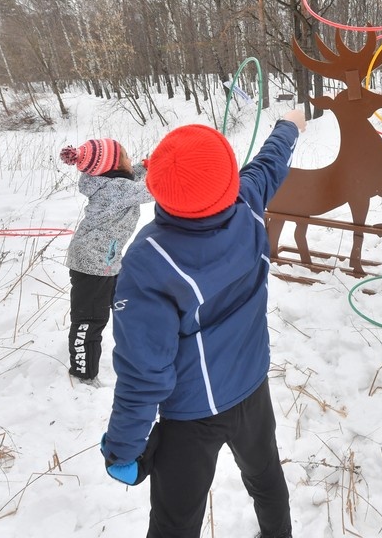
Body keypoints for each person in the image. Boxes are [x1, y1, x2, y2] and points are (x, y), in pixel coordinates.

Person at [100, 109, 306, 538]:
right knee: (266, 478)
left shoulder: (147, 261)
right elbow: (269, 163)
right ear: (230, 179)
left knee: (175, 524)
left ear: (155, 187)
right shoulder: (248, 204)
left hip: (190, 415)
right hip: (251, 389)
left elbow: (144, 372)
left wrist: (123, 449)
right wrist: (289, 125)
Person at [60, 138, 153, 382]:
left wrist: (148, 165)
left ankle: (134, 349)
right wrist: (175, 170)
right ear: (113, 165)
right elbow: (152, 189)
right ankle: (82, 373)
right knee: (89, 320)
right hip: (92, 264)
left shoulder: (102, 180)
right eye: (126, 156)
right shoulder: (117, 190)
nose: (130, 159)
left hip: (104, 260)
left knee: (121, 303)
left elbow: (130, 177)